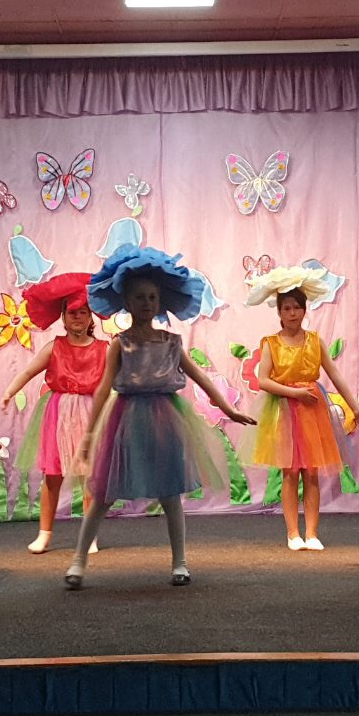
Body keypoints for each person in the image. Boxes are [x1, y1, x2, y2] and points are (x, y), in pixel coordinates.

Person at [64, 245, 255, 589]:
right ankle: (78, 560)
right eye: (139, 297)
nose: (147, 303)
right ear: (126, 301)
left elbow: (199, 377)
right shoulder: (119, 344)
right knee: (104, 492)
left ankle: (180, 562)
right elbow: (104, 389)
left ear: (160, 301)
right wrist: (90, 436)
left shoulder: (171, 341)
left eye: (152, 297)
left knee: (170, 494)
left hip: (166, 420)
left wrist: (228, 409)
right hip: (126, 421)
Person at [242, 266, 359, 550]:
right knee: (290, 472)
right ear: (279, 312)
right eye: (287, 308)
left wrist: (356, 407)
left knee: (311, 472)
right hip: (285, 411)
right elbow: (263, 380)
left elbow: (335, 374)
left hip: (312, 411)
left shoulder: (314, 340)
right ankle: (293, 533)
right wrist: (294, 393)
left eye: (297, 307)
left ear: (304, 309)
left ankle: (311, 533)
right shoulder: (271, 343)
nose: (292, 313)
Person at [6, 273, 108, 554]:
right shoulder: (55, 347)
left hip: (90, 413)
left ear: (91, 317)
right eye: (72, 312)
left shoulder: (103, 349)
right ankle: (44, 534)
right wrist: (9, 392)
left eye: (83, 312)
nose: (77, 317)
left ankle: (90, 535)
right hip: (59, 414)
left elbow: (116, 378)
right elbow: (28, 372)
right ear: (63, 316)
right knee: (52, 476)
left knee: (90, 477)